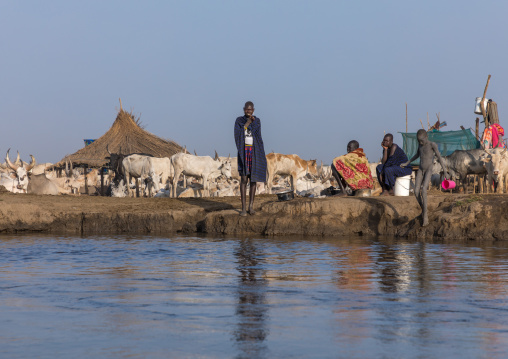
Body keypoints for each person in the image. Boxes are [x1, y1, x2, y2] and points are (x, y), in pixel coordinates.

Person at [401, 129, 449, 226]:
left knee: (423, 190)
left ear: (426, 137)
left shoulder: (432, 145)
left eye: (422, 140)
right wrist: (407, 162)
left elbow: (439, 157)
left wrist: (445, 170)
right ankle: (423, 209)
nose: (420, 142)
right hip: (420, 169)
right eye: (419, 141)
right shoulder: (420, 146)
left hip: (428, 169)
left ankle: (425, 216)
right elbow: (417, 155)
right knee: (415, 191)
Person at [234, 101, 267, 216]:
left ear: (253, 110)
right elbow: (238, 134)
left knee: (253, 180)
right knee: (244, 180)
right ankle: (243, 208)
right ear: (244, 109)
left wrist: (261, 153)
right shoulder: (239, 120)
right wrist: (248, 122)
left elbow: (258, 136)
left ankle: (251, 207)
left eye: (250, 109)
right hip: (244, 152)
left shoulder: (257, 121)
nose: (249, 111)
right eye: (247, 109)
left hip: (254, 152)